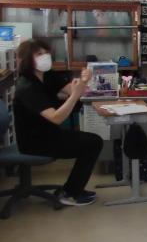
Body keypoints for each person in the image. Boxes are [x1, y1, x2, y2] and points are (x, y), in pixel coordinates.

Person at [13, 39, 103, 206]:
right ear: (27, 59)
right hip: (34, 142)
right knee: (93, 143)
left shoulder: (47, 75)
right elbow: (56, 118)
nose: (45, 56)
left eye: (46, 52)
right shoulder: (27, 87)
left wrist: (84, 80)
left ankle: (71, 190)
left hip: (49, 133)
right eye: (39, 54)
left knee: (91, 141)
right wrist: (75, 94)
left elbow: (75, 90)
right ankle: (70, 193)